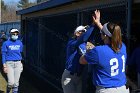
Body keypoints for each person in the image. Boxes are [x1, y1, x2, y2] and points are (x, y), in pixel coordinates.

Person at [79, 10, 129, 93]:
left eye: (101, 33)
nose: (100, 34)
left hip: (107, 90)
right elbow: (110, 34)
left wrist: (88, 51)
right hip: (123, 89)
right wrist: (98, 23)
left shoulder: (98, 51)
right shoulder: (122, 46)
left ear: (105, 35)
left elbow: (81, 61)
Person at [61, 17, 96, 93]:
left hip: (79, 76)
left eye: (85, 31)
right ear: (77, 33)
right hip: (69, 76)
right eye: (83, 31)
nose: (85, 32)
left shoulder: (85, 44)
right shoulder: (72, 42)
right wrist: (92, 25)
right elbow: (82, 39)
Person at [1, 28, 23, 93]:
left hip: (18, 64)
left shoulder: (20, 43)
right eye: (13, 34)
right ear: (10, 34)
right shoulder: (6, 43)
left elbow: (20, 53)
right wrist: (4, 65)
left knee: (16, 83)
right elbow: (3, 54)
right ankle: (8, 91)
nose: (15, 35)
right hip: (9, 64)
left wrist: (21, 63)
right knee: (11, 83)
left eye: (17, 34)